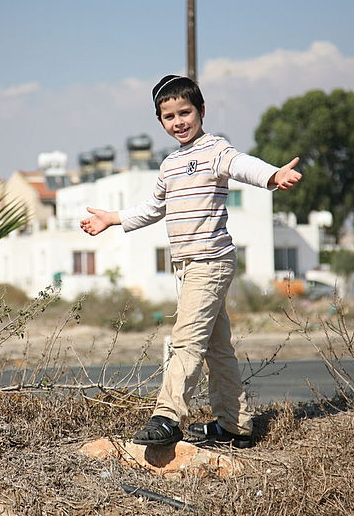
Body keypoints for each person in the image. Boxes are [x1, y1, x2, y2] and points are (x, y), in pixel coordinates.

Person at [80, 75, 302, 447]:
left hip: (210, 261)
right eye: (169, 117)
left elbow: (242, 165)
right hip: (185, 266)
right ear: (160, 121)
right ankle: (234, 426)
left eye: (185, 112)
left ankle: (167, 417)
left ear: (201, 110)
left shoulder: (215, 149)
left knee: (186, 341)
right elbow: (154, 207)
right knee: (217, 348)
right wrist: (113, 218)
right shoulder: (170, 164)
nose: (179, 122)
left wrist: (273, 175)